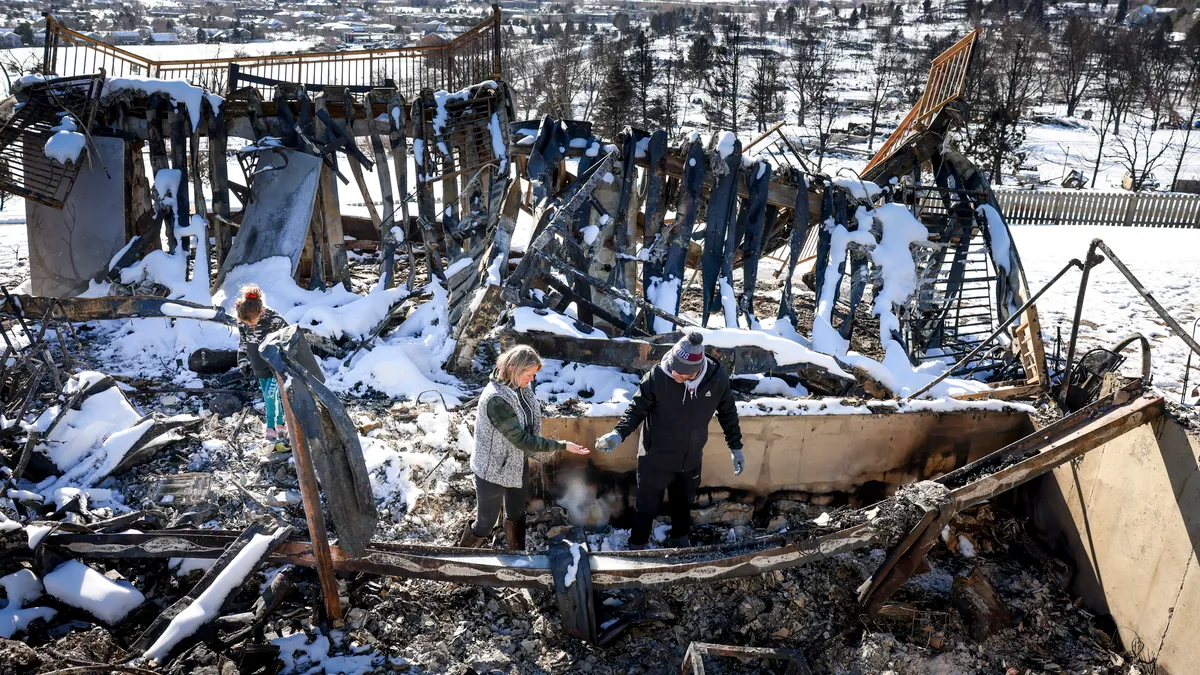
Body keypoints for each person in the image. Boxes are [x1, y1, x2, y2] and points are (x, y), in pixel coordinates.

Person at [595, 332, 742, 549]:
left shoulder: (717, 379)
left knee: (683, 505)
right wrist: (618, 434)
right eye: (672, 368)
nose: (674, 374)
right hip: (655, 458)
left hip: (690, 459)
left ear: (696, 370)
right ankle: (637, 545)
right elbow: (636, 409)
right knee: (646, 507)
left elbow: (728, 412)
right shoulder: (658, 376)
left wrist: (736, 447)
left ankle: (680, 542)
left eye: (680, 373)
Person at [460, 345, 590, 550]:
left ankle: (518, 560)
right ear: (513, 369)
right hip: (491, 469)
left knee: (517, 514)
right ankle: (457, 562)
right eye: (529, 375)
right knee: (485, 523)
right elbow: (521, 440)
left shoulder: (519, 388)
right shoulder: (497, 399)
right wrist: (563, 445)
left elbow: (528, 423)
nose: (532, 380)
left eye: (533, 375)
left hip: (515, 462)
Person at [235, 285, 290, 452]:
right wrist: (243, 361)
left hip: (274, 364)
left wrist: (285, 360)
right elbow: (243, 342)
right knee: (270, 395)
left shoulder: (274, 318)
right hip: (257, 363)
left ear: (260, 312)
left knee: (271, 394)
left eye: (252, 322)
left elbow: (288, 337)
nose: (250, 325)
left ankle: (271, 428)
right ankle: (280, 424)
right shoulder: (243, 320)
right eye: (246, 323)